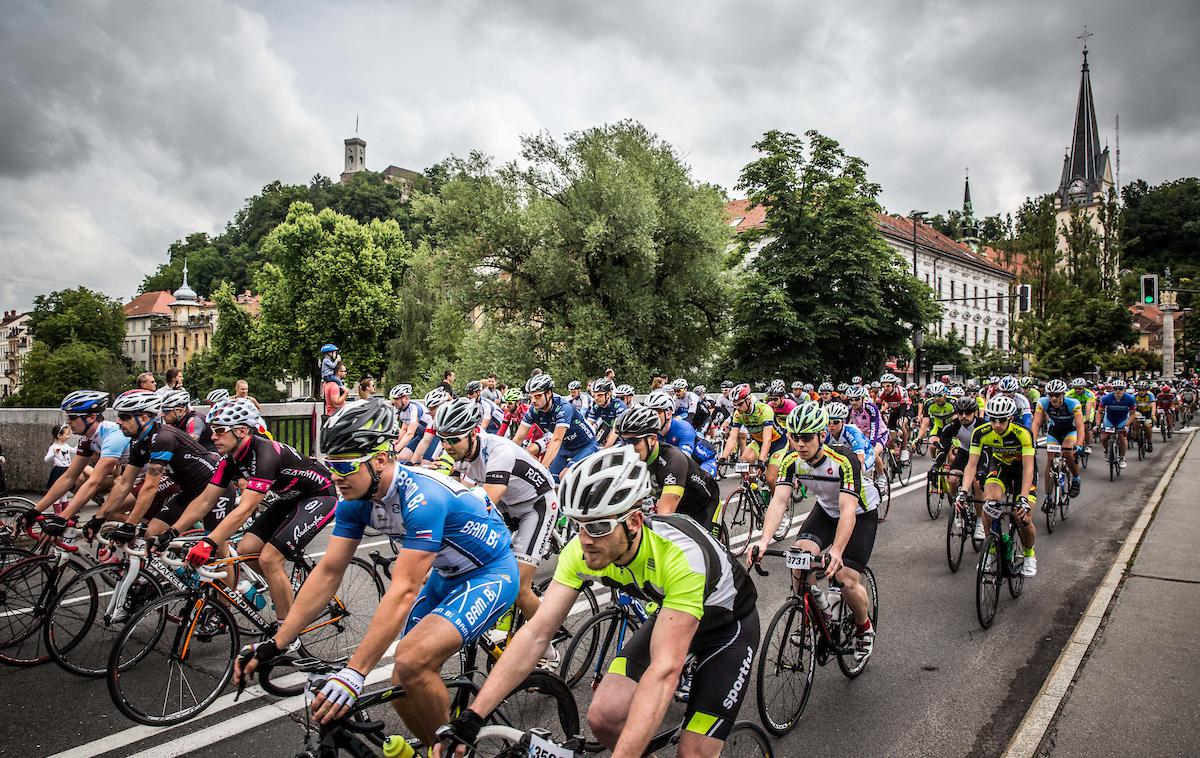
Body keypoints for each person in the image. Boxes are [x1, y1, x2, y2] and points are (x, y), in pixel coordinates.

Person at [438, 447, 759, 758]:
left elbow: (663, 673)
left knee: (694, 751)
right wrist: (473, 716)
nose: (585, 539)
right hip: (673, 616)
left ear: (634, 522)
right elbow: (536, 634)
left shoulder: (679, 558)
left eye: (598, 526)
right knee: (603, 717)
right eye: (578, 524)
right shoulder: (583, 548)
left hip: (727, 630)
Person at [236, 398, 517, 752]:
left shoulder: (423, 497)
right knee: (402, 680)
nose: (335, 477)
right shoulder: (354, 500)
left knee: (412, 660)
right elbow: (328, 571)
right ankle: (438, 746)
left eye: (345, 466)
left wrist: (355, 673)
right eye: (331, 466)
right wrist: (279, 641)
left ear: (380, 459)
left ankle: (451, 749)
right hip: (447, 575)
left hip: (490, 572)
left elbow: (403, 589)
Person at [180, 398, 337, 623]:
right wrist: (172, 531)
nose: (213, 436)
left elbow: (245, 509)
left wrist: (209, 543)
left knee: (270, 559)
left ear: (242, 430)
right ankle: (283, 593)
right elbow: (205, 500)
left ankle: (287, 634)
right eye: (212, 430)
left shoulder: (265, 453)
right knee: (247, 548)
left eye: (220, 430)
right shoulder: (230, 460)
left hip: (319, 496)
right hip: (290, 498)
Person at [751, 404, 877, 660]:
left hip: (859, 514)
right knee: (799, 557)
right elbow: (778, 501)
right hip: (826, 513)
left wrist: (838, 552)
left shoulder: (844, 460)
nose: (799, 443)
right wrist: (763, 541)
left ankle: (864, 629)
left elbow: (848, 509)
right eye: (794, 436)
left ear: (821, 435)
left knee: (844, 578)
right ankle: (816, 609)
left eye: (806, 437)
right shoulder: (791, 461)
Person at [435, 398, 559, 656]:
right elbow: (450, 492)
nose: (446, 446)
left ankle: (546, 648)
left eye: (452, 440)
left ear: (472, 433)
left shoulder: (499, 451)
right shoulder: (459, 454)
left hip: (536, 504)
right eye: (442, 439)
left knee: (520, 586)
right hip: (509, 505)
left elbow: (484, 503)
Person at [958, 394, 1038, 577]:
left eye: (1002, 420)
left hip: (1021, 470)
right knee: (990, 502)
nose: (997, 425)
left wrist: (1024, 499)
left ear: (1010, 418)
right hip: (1000, 465)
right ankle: (991, 550)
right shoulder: (981, 433)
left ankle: (1029, 555)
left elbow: (1028, 468)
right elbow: (971, 464)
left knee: (1022, 517)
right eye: (993, 419)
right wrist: (963, 491)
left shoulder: (1023, 433)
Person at [32, 391, 130, 535]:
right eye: (67, 417)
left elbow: (94, 482)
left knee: (108, 514)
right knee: (107, 515)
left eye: (72, 417)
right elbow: (68, 477)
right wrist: (34, 511)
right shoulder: (87, 439)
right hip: (133, 477)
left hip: (154, 476)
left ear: (91, 417)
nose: (68, 422)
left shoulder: (112, 436)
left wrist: (62, 518)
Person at [614, 405, 721, 531]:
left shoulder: (673, 459)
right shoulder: (633, 457)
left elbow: (664, 515)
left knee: (704, 546)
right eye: (623, 441)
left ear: (653, 439)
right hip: (678, 506)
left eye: (633, 441)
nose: (627, 447)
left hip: (703, 505)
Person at [512, 374, 600, 477]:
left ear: (549, 393)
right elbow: (518, 438)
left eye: (538, 396)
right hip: (566, 446)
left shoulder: (563, 407)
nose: (533, 400)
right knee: (551, 479)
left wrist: (542, 469)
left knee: (564, 475)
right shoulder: (533, 410)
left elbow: (556, 439)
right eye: (531, 397)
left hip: (586, 445)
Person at [1031, 379, 1086, 498]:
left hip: (1070, 430)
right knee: (1050, 459)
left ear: (1063, 394)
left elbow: (1080, 426)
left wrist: (1080, 444)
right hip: (1055, 431)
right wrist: (1033, 442)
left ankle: (1076, 478)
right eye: (1050, 395)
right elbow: (1036, 423)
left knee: (1067, 451)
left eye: (1057, 395)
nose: (1053, 398)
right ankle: (1048, 497)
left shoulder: (1073, 403)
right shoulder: (1042, 402)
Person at [1098, 380, 1137, 468]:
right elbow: (1099, 412)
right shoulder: (1106, 398)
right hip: (1110, 419)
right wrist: (1097, 425)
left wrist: (1127, 425)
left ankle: (1122, 458)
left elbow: (1132, 414)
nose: (1118, 391)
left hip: (1122, 419)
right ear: (1112, 389)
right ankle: (1107, 450)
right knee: (1104, 437)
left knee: (1122, 437)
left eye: (1120, 389)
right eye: (1115, 389)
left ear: (1124, 389)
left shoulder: (1130, 399)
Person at [585, 377, 627, 447]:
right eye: (594, 395)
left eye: (600, 395)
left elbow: (615, 431)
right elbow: (587, 426)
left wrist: (605, 449)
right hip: (608, 428)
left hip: (623, 434)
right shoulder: (596, 406)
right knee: (594, 444)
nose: (596, 398)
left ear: (609, 394)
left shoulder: (619, 405)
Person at [44, 424, 76, 515]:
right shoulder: (53, 447)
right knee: (58, 492)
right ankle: (58, 513)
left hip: (67, 470)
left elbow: (74, 450)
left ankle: (65, 513)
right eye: (67, 434)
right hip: (58, 471)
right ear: (59, 435)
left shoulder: (65, 445)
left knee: (64, 492)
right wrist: (54, 454)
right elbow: (46, 459)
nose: (68, 436)